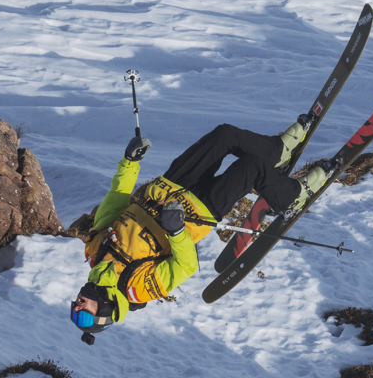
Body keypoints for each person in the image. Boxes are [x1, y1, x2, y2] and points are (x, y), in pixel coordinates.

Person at [70, 117, 328, 337]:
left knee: (224, 135)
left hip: (168, 186)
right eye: (82, 318)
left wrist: (129, 162)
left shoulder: (95, 251)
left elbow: (116, 197)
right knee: (251, 168)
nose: (78, 308)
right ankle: (291, 197)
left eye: (74, 310)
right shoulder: (136, 289)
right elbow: (186, 266)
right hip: (198, 211)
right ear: (103, 312)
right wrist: (176, 232)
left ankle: (278, 150)